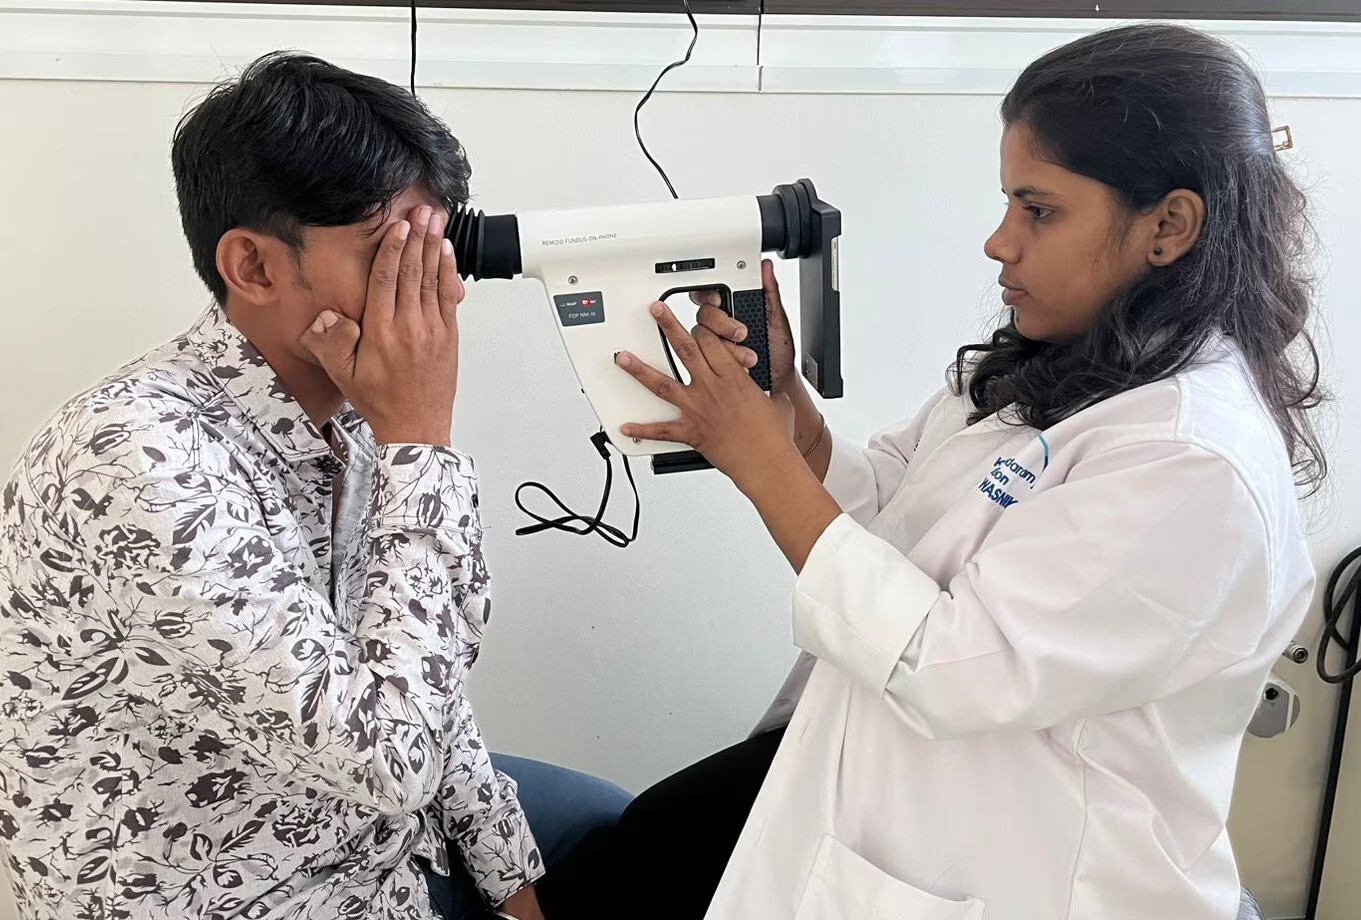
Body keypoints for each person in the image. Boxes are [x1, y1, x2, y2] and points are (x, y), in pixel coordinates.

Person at [558, 21, 1325, 920]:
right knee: (646, 843)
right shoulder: (1051, 372)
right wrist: (791, 425)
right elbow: (893, 517)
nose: (999, 243)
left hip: (1038, 874)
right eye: (1006, 203)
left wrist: (760, 463)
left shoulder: (1190, 461)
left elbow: (953, 664)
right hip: (890, 792)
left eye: (1038, 210)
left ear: (1169, 225)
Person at [0, 53, 629, 920]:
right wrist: (422, 443)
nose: (439, 292)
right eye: (394, 258)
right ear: (253, 268)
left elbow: (427, 681)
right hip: (235, 885)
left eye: (438, 250)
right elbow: (389, 760)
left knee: (627, 835)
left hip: (368, 839)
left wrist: (513, 884)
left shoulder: (355, 408)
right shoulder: (136, 458)